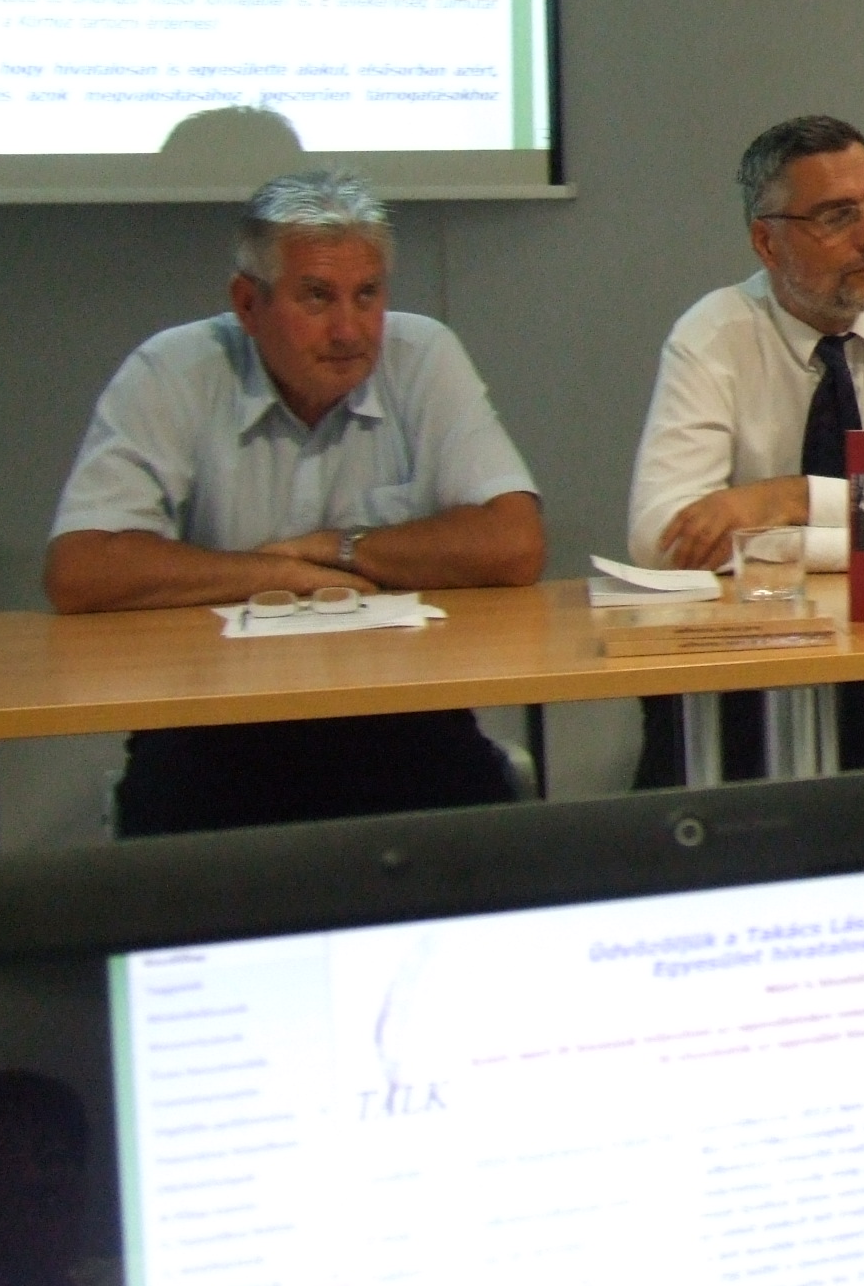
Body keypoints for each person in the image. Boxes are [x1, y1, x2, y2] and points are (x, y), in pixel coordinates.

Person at [44, 170, 545, 834]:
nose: (348, 330)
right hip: (212, 725)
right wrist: (275, 574)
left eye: (367, 295)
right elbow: (81, 568)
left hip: (402, 720)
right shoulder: (172, 372)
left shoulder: (422, 356)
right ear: (248, 305)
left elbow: (515, 542)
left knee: (489, 842)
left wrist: (337, 549)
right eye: (316, 297)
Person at [629, 115, 864, 779]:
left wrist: (787, 501)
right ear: (767, 243)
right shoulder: (713, 336)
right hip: (741, 673)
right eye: (837, 216)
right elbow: (661, 536)